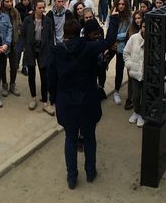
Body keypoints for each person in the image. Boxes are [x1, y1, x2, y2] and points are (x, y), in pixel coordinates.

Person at [48, 12, 119, 189]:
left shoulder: (56, 52)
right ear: (80, 31)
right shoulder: (89, 47)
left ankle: (72, 177)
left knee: (70, 139)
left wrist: (53, 98)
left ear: (64, 33)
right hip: (88, 100)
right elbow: (109, 40)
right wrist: (115, 19)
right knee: (89, 138)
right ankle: (90, 172)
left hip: (66, 101)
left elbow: (51, 79)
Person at [21, 0, 55, 113]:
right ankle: (33, 98)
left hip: (44, 49)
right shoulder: (27, 20)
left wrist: (50, 50)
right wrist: (24, 47)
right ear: (34, 8)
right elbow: (23, 34)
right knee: (31, 73)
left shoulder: (48, 21)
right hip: (31, 49)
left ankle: (45, 102)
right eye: (39, 7)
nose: (42, 10)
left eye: (43, 7)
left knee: (44, 75)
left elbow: (51, 37)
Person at [124, 18, 146, 127]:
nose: (145, 29)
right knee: (136, 96)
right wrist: (129, 64)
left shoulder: (155, 38)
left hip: (148, 74)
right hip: (135, 72)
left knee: (146, 96)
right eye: (143, 27)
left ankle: (142, 114)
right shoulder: (134, 38)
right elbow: (126, 52)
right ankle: (136, 112)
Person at [1, 0, 22, 97]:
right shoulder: (0, 12)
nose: (9, 3)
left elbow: (19, 24)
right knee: (2, 65)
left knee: (14, 66)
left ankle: (12, 85)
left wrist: (17, 34)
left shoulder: (15, 12)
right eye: (7, 1)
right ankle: (4, 85)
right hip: (3, 44)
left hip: (14, 43)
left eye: (10, 1)